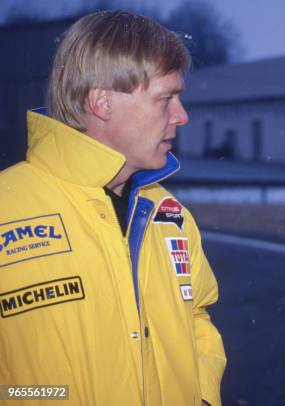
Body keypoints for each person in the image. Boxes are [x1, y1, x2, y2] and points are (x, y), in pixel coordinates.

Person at [0, 11, 225, 406]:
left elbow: (197, 318)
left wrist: (201, 395)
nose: (182, 116)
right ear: (102, 101)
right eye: (165, 99)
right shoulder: (7, 208)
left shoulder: (169, 215)